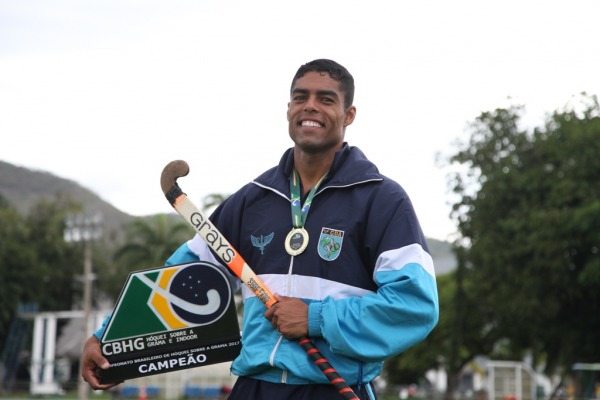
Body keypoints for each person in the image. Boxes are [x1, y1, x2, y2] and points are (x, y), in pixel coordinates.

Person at [82, 59, 439, 400]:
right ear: (288, 110)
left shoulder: (382, 200)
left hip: (332, 388)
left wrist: (315, 318)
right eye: (301, 97)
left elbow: (414, 305)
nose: (310, 106)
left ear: (349, 115)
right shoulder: (252, 200)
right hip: (253, 387)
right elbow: (181, 281)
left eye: (325, 99)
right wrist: (108, 339)